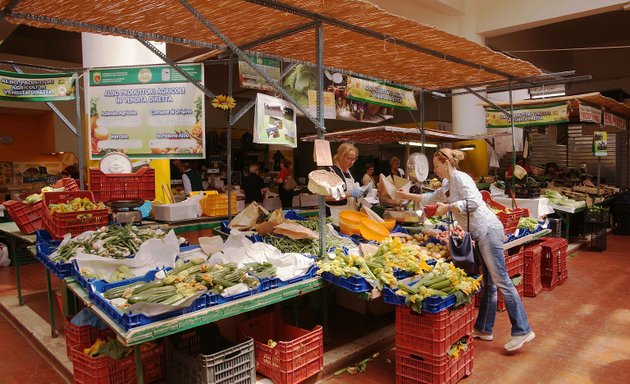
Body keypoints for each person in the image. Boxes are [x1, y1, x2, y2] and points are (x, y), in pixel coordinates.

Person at [397, 148, 535, 352]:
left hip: (489, 230)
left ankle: (522, 329)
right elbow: (430, 198)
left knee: (501, 280)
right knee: (489, 283)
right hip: (479, 234)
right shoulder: (446, 184)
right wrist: (405, 195)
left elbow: (475, 201)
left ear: (446, 163)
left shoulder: (461, 178)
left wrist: (449, 208)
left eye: (436, 165)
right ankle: (484, 329)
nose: (434, 170)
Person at [326, 143, 362, 224]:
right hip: (336, 215)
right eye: (349, 158)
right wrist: (350, 193)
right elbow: (326, 196)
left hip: (350, 214)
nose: (351, 162)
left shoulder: (350, 172)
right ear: (341, 156)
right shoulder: (331, 171)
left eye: (354, 159)